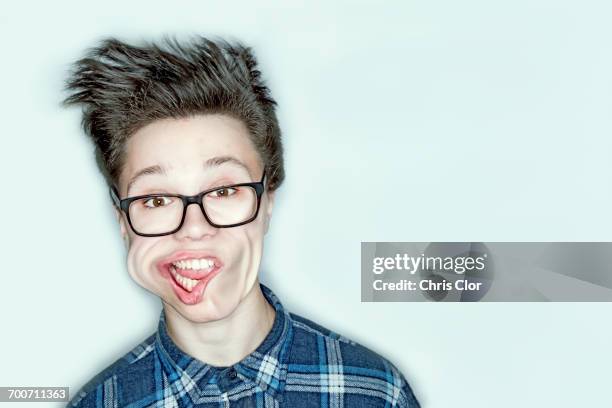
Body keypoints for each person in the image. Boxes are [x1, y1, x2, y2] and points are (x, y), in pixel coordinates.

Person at [62, 35, 420, 407]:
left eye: (223, 192)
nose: (194, 228)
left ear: (268, 200)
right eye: (157, 199)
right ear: (123, 222)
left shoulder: (375, 390)